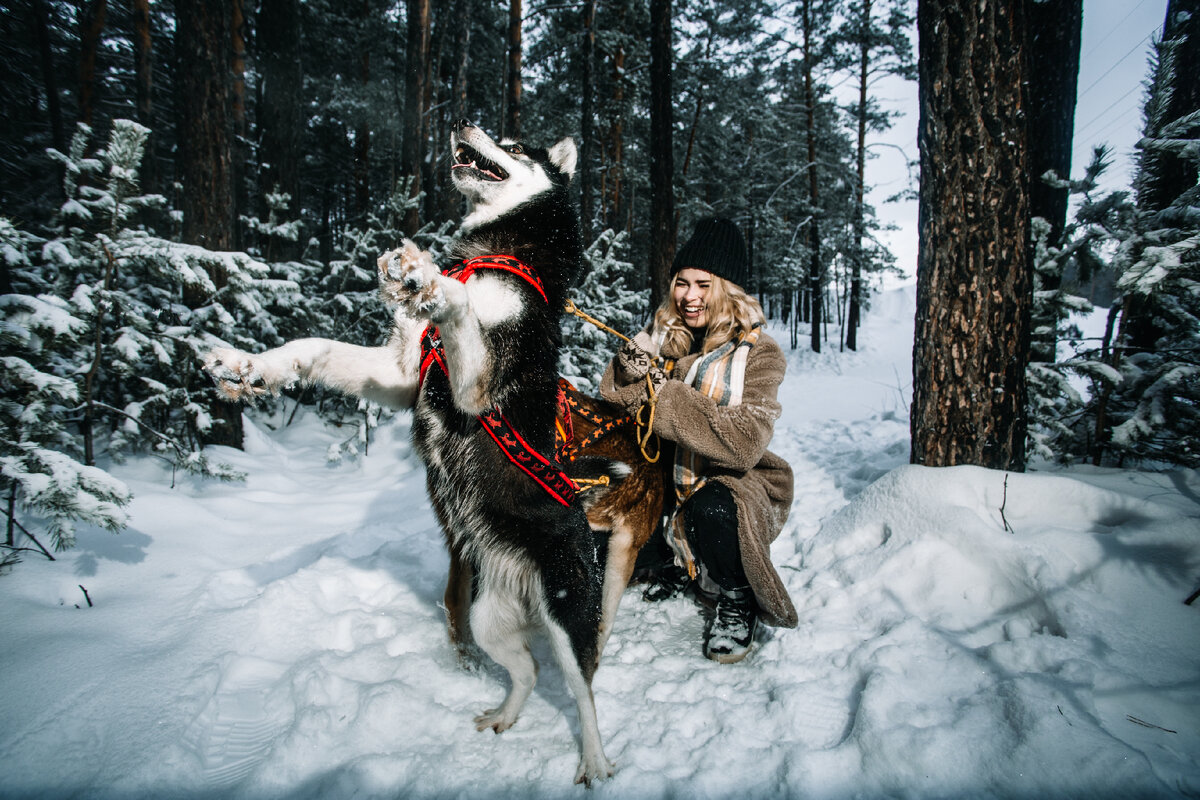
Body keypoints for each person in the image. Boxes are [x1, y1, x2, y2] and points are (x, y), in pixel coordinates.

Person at [599, 217, 797, 663]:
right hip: (669, 475)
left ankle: (737, 595)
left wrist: (666, 394)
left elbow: (745, 442)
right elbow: (618, 405)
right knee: (611, 500)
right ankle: (671, 561)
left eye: (703, 285)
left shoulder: (760, 354)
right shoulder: (669, 339)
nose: (689, 297)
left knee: (713, 509)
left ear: (727, 288)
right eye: (682, 283)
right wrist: (630, 370)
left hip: (734, 483)